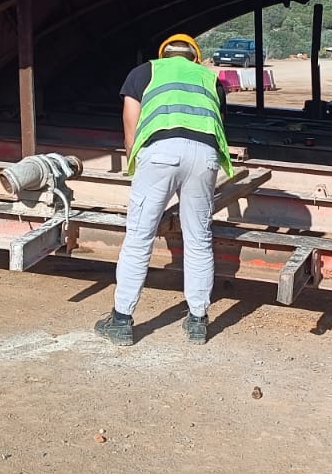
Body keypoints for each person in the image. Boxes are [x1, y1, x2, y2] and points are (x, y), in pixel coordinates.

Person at [94, 33, 232, 347]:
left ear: (163, 54)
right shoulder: (210, 79)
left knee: (139, 237)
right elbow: (218, 124)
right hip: (204, 155)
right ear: (195, 57)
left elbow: (131, 124)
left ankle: (121, 320)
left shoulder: (144, 72)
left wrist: (135, 164)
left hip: (160, 151)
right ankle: (197, 321)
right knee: (198, 239)